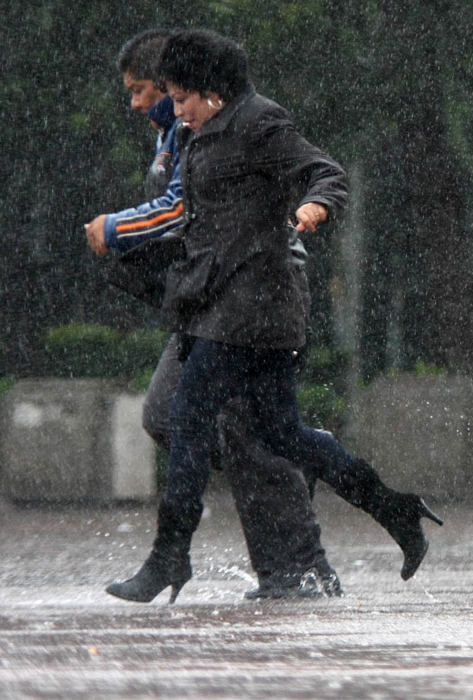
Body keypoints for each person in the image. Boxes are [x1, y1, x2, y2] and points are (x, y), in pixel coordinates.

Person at [106, 29, 441, 604]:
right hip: (219, 301)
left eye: (180, 98)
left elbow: (326, 171)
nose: (173, 110)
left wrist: (314, 206)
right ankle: (394, 508)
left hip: (255, 305)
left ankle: (170, 559)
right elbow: (194, 215)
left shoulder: (260, 122)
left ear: (211, 91)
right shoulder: (196, 133)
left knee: (190, 418)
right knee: (278, 432)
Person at [87, 29, 341, 599]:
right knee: (169, 418)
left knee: (240, 429)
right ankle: (300, 453)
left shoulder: (223, 127)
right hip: (205, 297)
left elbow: (182, 210)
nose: (136, 103)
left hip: (250, 293)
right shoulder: (179, 134)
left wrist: (116, 230)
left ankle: (299, 570)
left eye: (143, 90)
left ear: (184, 87)